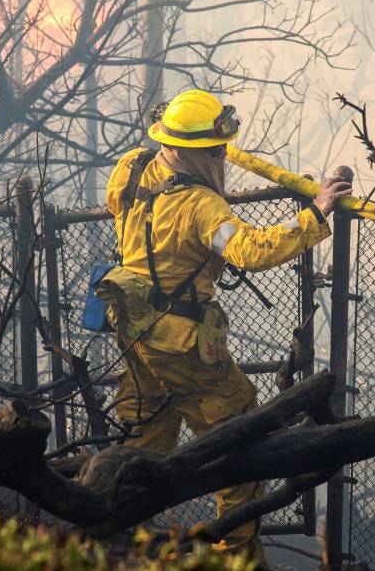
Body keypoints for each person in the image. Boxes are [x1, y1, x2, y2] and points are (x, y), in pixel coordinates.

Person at [97, 89, 352, 566]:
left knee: (144, 437)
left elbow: (118, 205)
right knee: (238, 439)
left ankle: (112, 543)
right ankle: (236, 559)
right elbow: (249, 251)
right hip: (180, 341)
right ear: (199, 151)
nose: (223, 156)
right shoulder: (199, 206)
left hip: (132, 326)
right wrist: (316, 213)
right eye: (218, 149)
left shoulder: (132, 166)